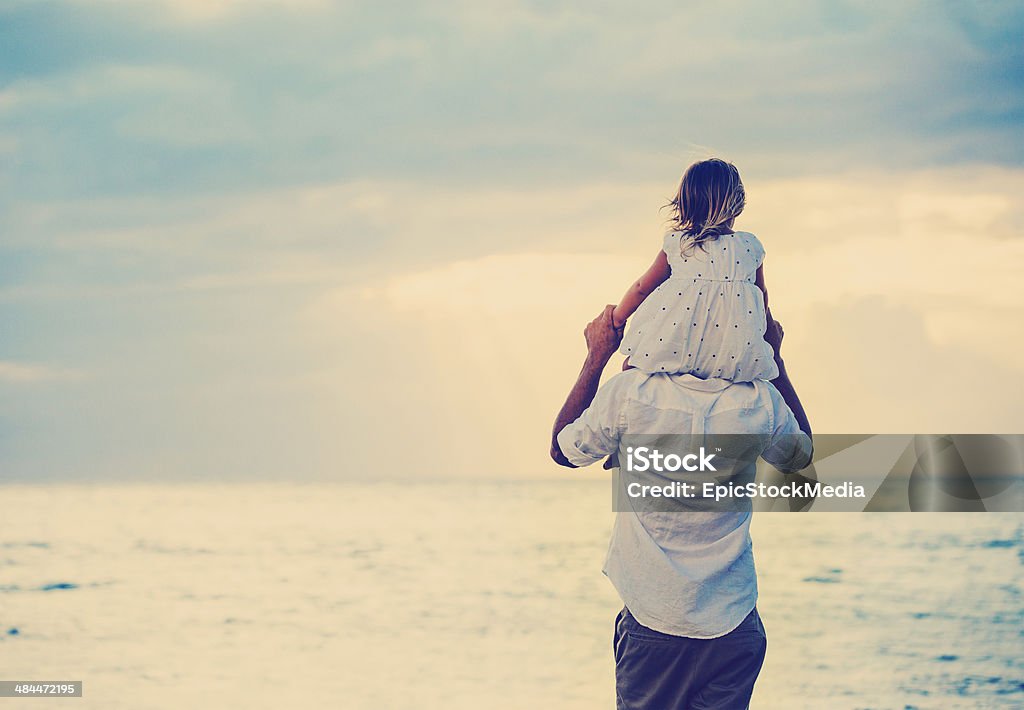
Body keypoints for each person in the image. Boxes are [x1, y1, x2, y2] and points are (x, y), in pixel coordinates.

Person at [550, 305, 812, 710]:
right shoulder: (760, 400)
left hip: (656, 619)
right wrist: (776, 359)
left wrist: (596, 356)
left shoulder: (631, 394)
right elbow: (800, 456)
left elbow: (563, 450)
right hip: (734, 621)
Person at [612, 158, 777, 382]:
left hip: (677, 343)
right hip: (732, 351)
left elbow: (642, 288)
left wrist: (617, 318)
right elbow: (761, 295)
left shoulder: (681, 244)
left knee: (631, 367)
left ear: (684, 202)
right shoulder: (749, 246)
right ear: (738, 203)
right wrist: (764, 332)